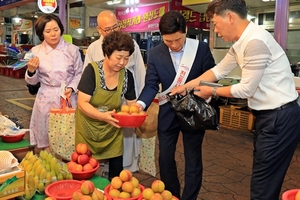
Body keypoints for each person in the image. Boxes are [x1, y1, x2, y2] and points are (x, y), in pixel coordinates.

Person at [170, 0, 300, 199]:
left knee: (263, 186)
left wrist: (211, 92)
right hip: (269, 117)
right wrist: (186, 86)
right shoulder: (241, 43)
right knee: (264, 179)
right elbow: (218, 71)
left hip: (280, 118)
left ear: (230, 17)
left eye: (215, 23)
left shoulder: (255, 41)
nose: (216, 30)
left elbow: (246, 88)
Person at [135, 11, 216, 200]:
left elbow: (212, 77)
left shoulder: (201, 49)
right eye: (168, 41)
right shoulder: (156, 53)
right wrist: (141, 104)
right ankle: (172, 195)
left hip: (193, 111)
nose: (174, 45)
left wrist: (204, 96)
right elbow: (151, 85)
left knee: (193, 158)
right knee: (165, 158)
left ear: (185, 31)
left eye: (178, 40)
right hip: (168, 112)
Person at [84, 10, 146, 173]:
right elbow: (85, 92)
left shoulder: (130, 48)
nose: (122, 63)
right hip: (95, 111)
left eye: (115, 27)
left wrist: (140, 104)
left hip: (122, 108)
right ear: (99, 30)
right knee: (89, 160)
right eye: (108, 29)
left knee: (121, 151)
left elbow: (139, 74)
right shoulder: (93, 52)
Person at [75, 31, 136, 179]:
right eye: (118, 57)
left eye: (126, 58)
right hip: (87, 128)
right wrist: (102, 116)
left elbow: (132, 105)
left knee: (116, 176)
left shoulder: (127, 76)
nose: (122, 63)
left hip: (112, 131)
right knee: (84, 171)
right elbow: (82, 102)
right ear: (107, 53)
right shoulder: (92, 71)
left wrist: (136, 115)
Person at [25, 14, 83, 154]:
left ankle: (67, 169)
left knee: (67, 137)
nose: (53, 34)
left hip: (67, 98)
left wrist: (71, 87)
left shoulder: (72, 50)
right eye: (48, 31)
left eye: (56, 29)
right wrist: (31, 71)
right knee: (45, 138)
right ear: (41, 33)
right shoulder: (35, 52)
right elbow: (33, 81)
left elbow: (79, 73)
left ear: (61, 29)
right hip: (45, 98)